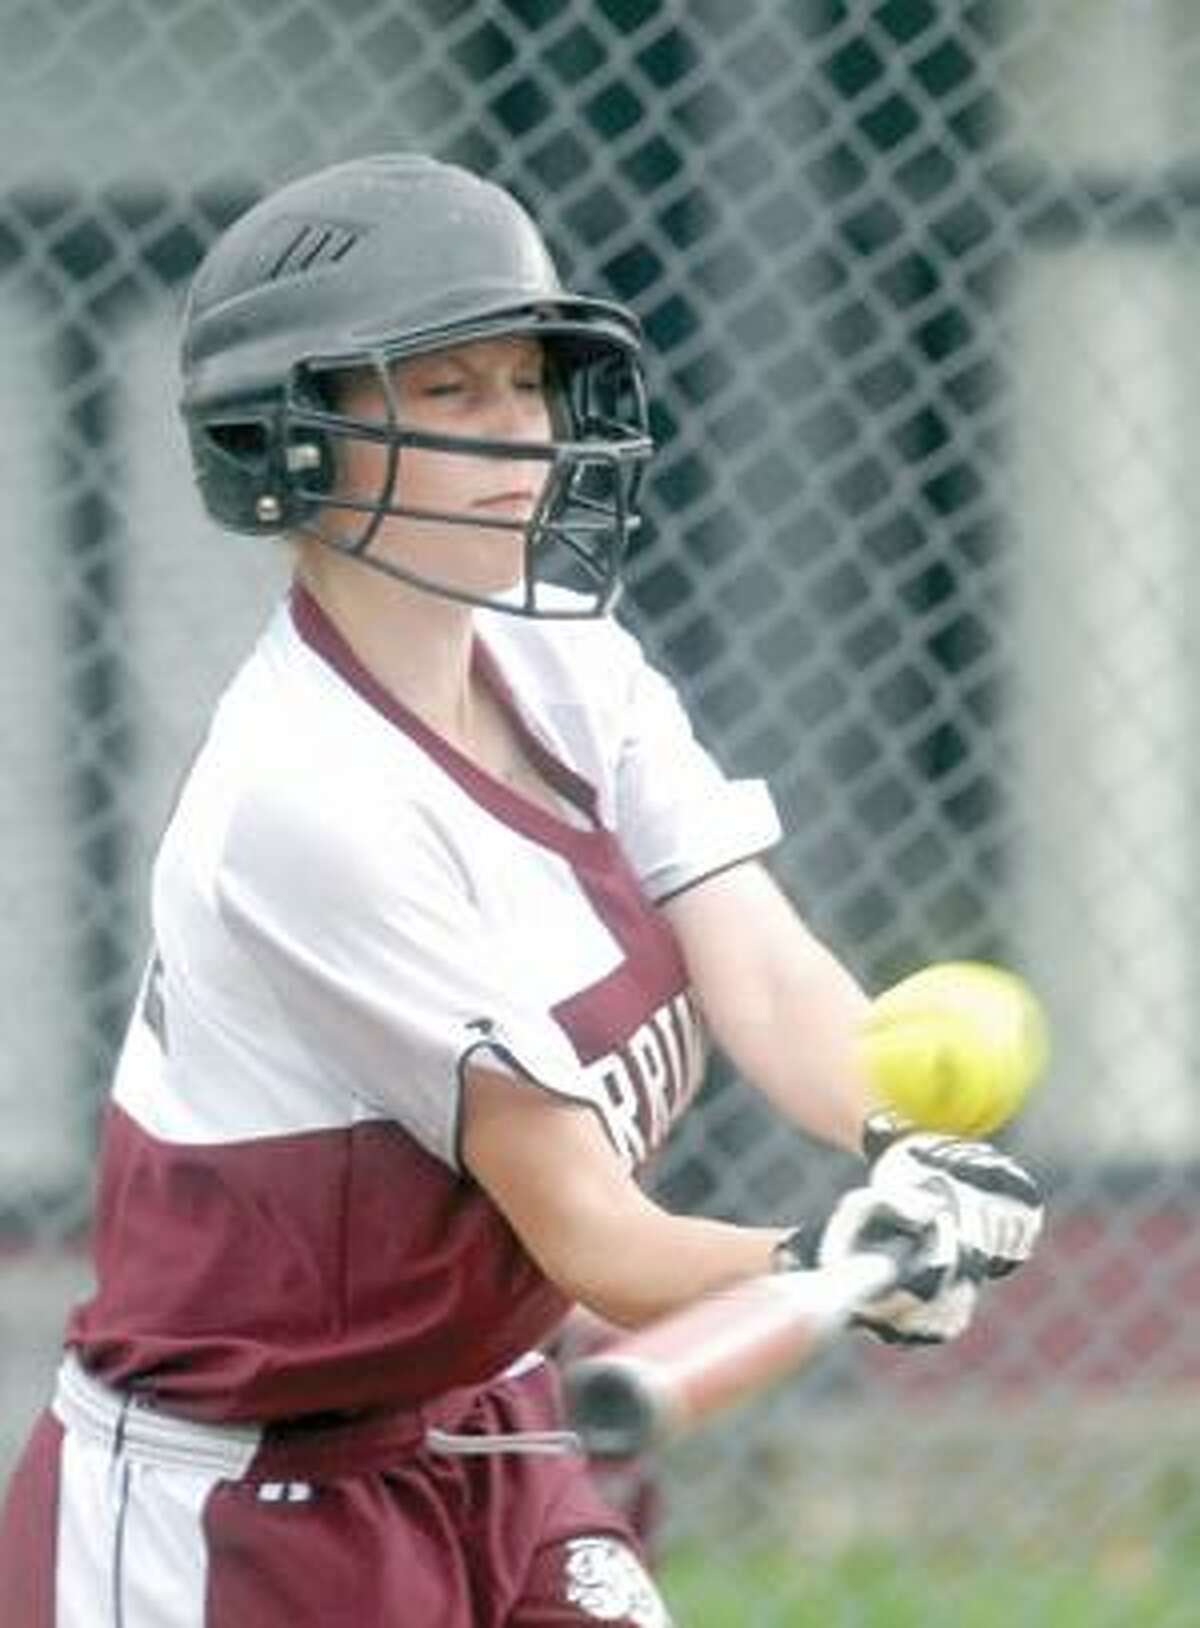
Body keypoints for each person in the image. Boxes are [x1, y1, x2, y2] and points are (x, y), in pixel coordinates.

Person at [0, 153, 1043, 1627]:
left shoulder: (569, 656)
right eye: (449, 395)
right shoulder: (308, 803)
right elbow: (591, 1237)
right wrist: (827, 1259)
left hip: (487, 1426)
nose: (521, 438)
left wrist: (898, 1146)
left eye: (528, 385)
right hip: (233, 1518)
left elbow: (762, 965)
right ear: (296, 445)